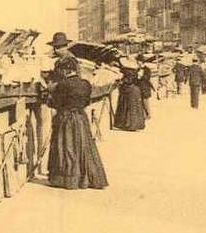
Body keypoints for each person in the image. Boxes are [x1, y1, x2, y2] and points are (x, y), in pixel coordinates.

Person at [45, 56, 108, 189]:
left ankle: (67, 179)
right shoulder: (86, 84)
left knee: (67, 148)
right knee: (83, 147)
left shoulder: (62, 85)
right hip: (81, 118)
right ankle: (84, 178)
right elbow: (86, 102)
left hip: (66, 119)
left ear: (65, 70)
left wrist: (50, 92)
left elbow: (55, 104)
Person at [113, 61, 145, 131]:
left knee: (128, 108)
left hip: (130, 91)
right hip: (135, 91)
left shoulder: (128, 73)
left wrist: (121, 84)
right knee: (134, 108)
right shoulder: (134, 73)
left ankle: (129, 125)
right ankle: (134, 125)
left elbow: (127, 82)